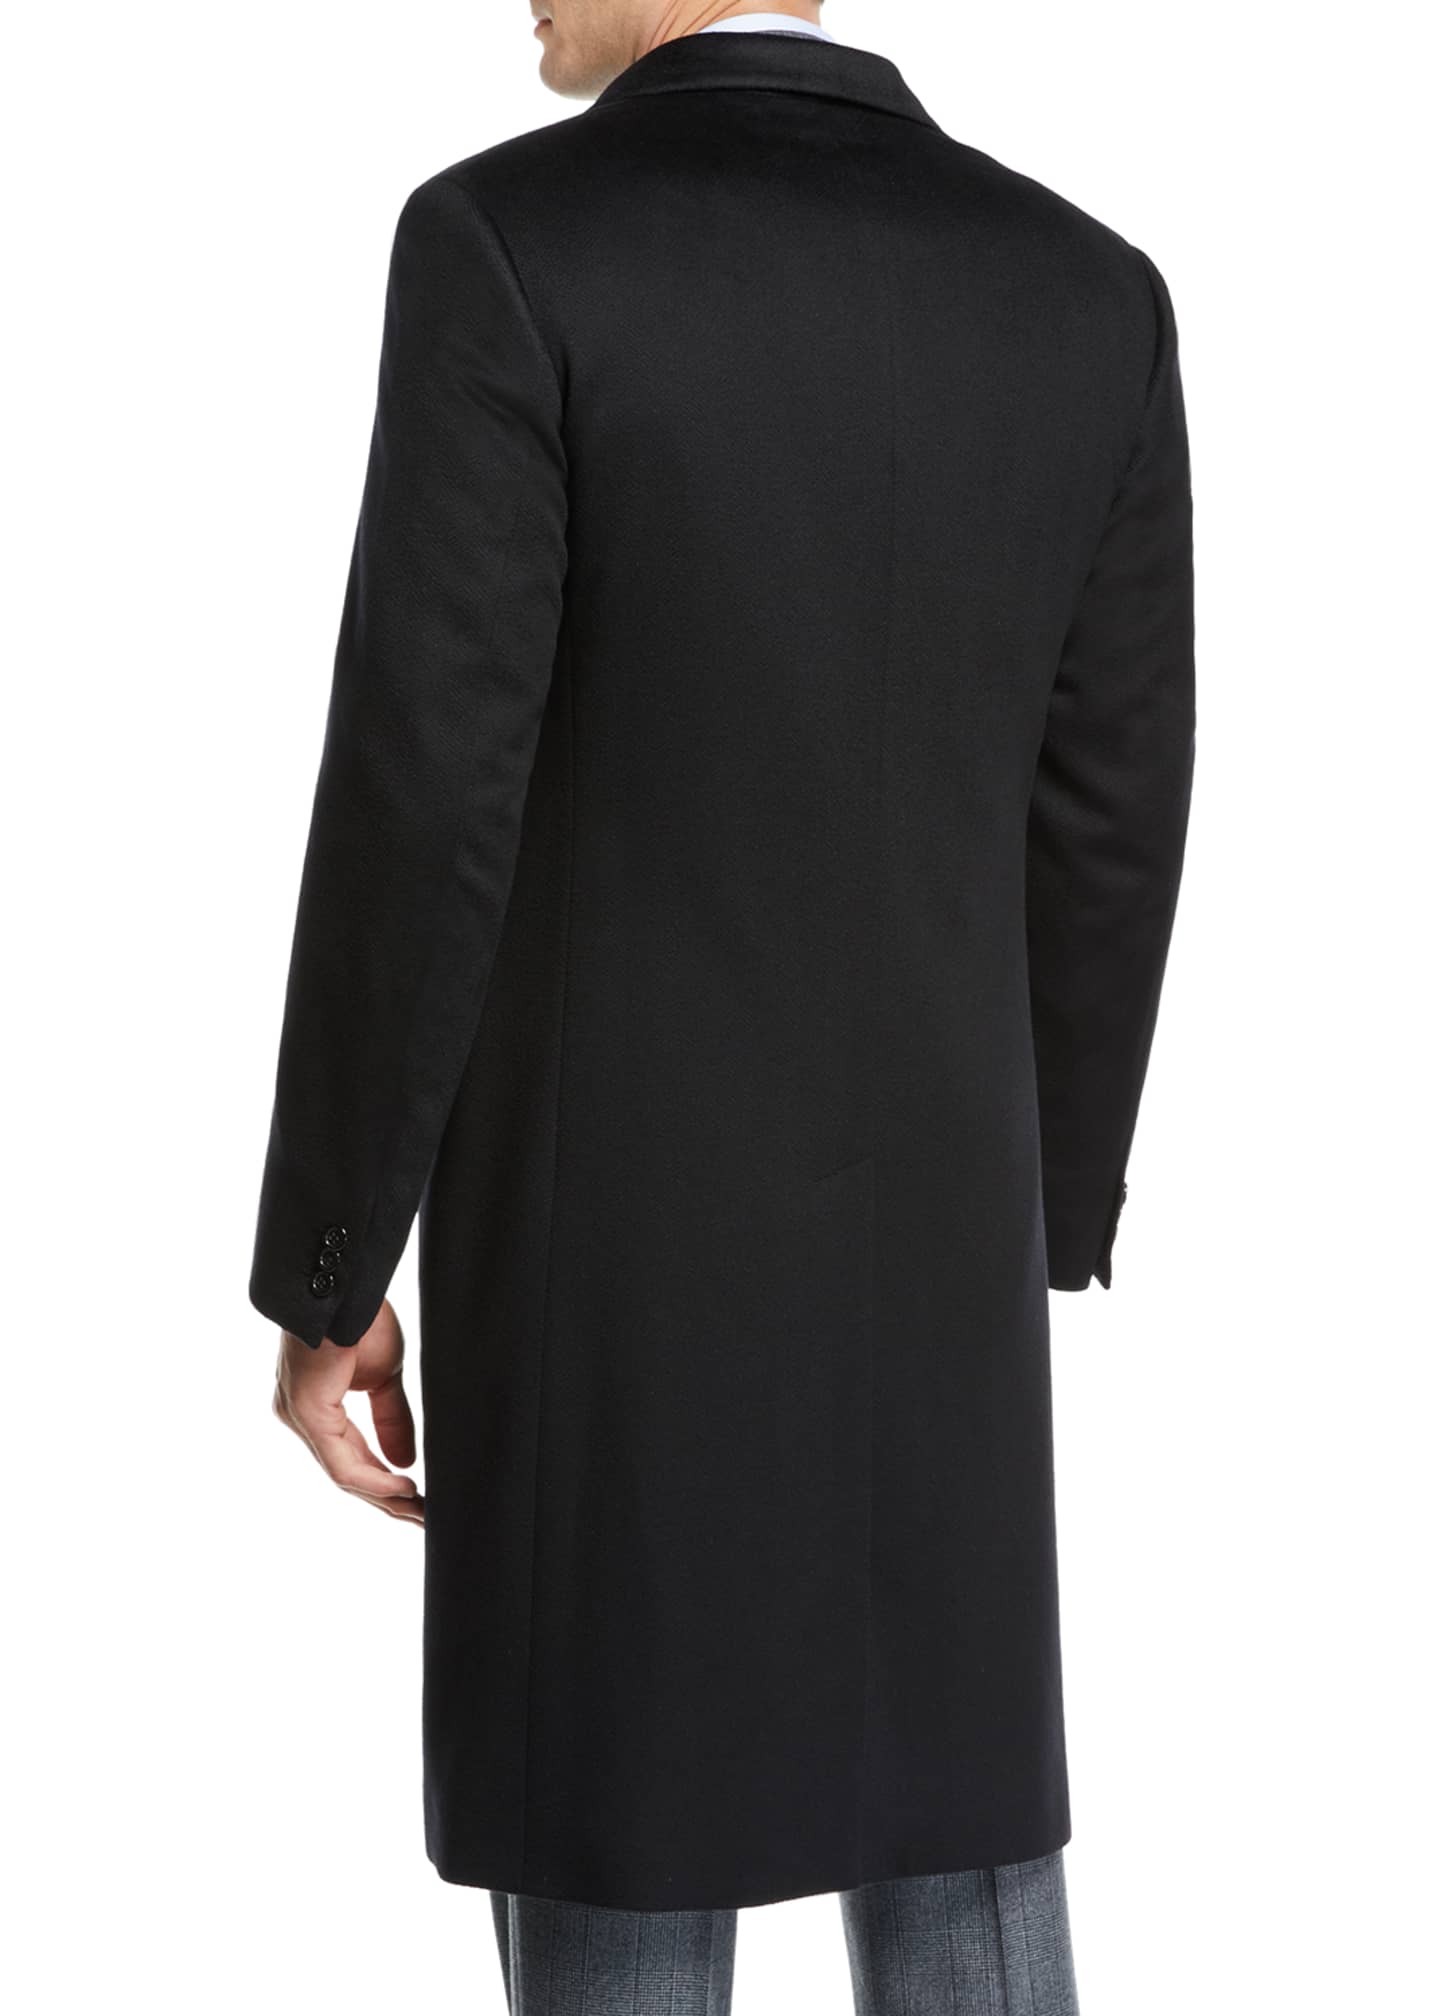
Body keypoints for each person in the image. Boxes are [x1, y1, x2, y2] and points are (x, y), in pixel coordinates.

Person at [250, 2, 1195, 2009]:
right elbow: (1112, 803)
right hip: (937, 1255)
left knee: (622, 1845)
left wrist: (333, 1254)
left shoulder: (510, 245)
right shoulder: (1084, 291)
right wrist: (1041, 1205)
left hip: (608, 1276)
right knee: (959, 1850)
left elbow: (428, 789)